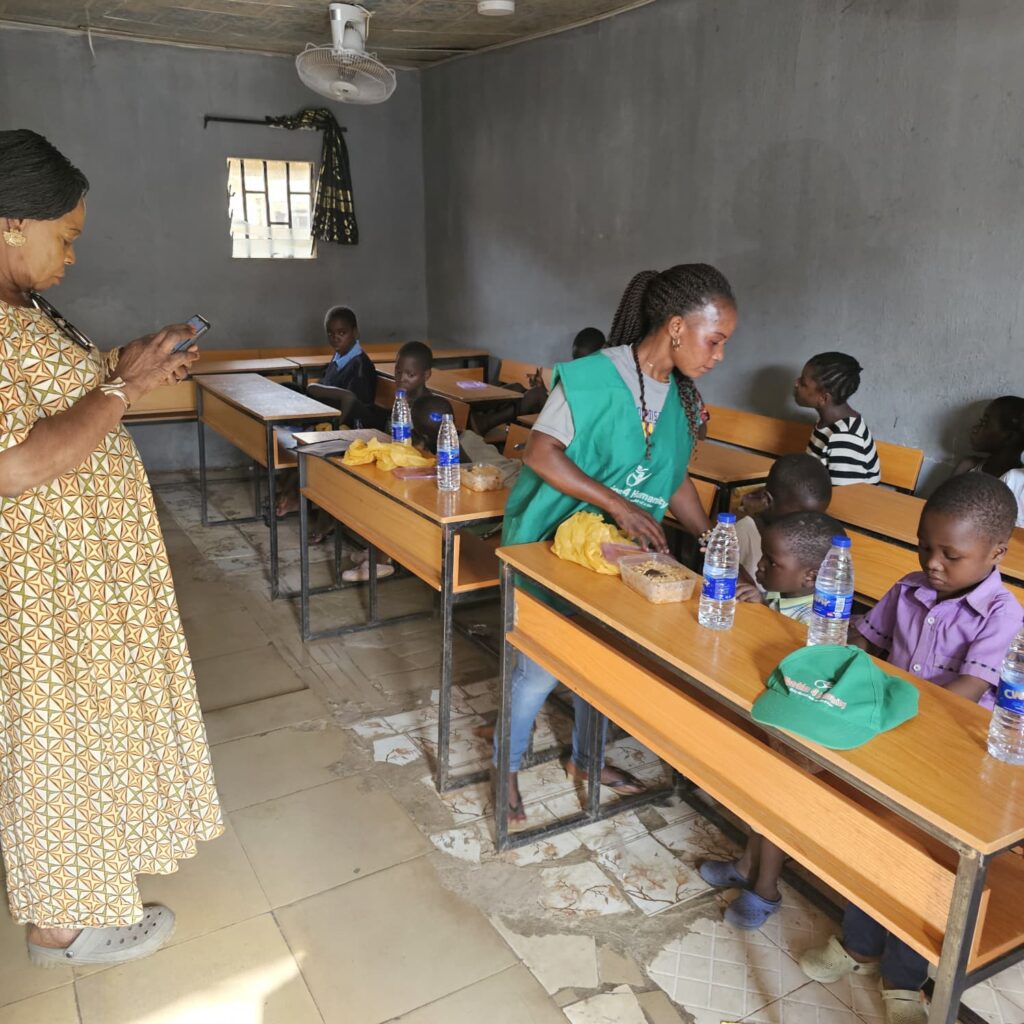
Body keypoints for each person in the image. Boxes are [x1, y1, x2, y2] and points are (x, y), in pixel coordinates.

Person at [0, 129, 222, 966]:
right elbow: (13, 463)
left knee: (86, 729)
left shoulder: (20, 307)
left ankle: (87, 890)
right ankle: (63, 927)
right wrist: (123, 388)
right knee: (56, 734)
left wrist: (127, 364)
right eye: (67, 236)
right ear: (13, 222)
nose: (71, 254)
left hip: (80, 575)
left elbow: (59, 399)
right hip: (43, 583)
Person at [498, 264, 738, 824]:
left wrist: (708, 542)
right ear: (677, 327)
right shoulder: (590, 378)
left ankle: (587, 760)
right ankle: (505, 766)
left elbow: (674, 477)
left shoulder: (678, 397)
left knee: (600, 661)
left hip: (619, 559)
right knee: (538, 669)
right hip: (549, 545)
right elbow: (541, 453)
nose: (720, 354)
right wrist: (618, 503)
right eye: (716, 339)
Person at [798, 472, 1022, 1024]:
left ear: (997, 550)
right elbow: (865, 643)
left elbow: (966, 693)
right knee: (868, 843)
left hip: (951, 765)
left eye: (951, 554)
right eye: (925, 546)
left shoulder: (1004, 616)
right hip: (889, 745)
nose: (934, 563)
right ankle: (858, 946)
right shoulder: (906, 588)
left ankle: (905, 976)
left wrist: (880, 709)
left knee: (927, 873)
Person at [703, 512, 846, 928]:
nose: (761, 567)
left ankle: (766, 890)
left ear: (810, 576)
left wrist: (764, 611)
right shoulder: (783, 599)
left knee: (775, 808)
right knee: (759, 797)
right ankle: (747, 865)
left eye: (771, 562)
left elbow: (796, 663)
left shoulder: (818, 620)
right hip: (772, 719)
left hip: (799, 733)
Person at [275, 305, 380, 517]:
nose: (335, 338)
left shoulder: (360, 365)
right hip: (329, 418)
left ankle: (294, 496)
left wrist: (317, 394)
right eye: (331, 333)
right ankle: (290, 491)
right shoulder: (339, 358)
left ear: (355, 332)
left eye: (342, 332)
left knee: (312, 441)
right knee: (286, 397)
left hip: (352, 427)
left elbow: (353, 404)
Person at [733, 453, 833, 586]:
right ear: (767, 500)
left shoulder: (812, 544)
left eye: (818, 517)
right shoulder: (742, 534)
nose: (808, 524)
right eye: (798, 516)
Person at [795, 352, 881, 486]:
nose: (796, 383)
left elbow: (843, 499)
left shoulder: (844, 438)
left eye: (803, 383)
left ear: (824, 398)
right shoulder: (826, 422)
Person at [953, 395, 1024, 479]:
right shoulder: (968, 466)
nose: (974, 428)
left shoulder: (1019, 480)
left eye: (984, 423)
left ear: (1009, 437)